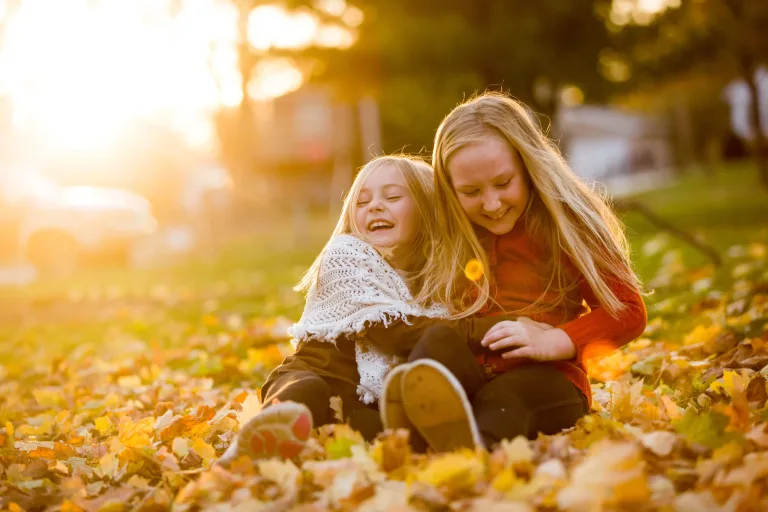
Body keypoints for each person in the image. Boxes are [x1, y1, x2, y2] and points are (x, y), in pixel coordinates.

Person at [381, 93, 647, 451]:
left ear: (528, 167)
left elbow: (628, 311)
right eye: (471, 191)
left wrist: (555, 341)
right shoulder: (452, 234)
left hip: (548, 381)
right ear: (450, 190)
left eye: (503, 183)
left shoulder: (564, 224)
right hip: (472, 376)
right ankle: (408, 433)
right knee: (436, 341)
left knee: (505, 399)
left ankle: (468, 452)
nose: (491, 204)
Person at [218, 155, 512, 464]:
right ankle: (257, 441)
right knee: (305, 393)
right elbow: (396, 333)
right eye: (362, 202)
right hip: (313, 374)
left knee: (375, 432)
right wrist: (500, 328)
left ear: (427, 209)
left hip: (359, 402)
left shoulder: (437, 282)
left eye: (393, 196)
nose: (374, 206)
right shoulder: (346, 256)